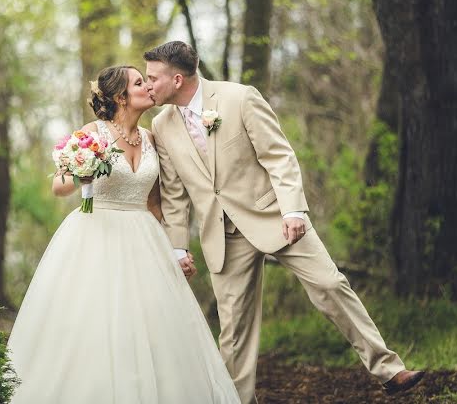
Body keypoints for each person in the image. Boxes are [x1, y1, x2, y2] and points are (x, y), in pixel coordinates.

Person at [145, 41, 425, 404]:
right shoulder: (162, 125)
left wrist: (294, 210)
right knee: (233, 334)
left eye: (152, 78)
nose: (147, 85)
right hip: (222, 236)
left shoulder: (239, 98)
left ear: (177, 78)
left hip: (275, 218)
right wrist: (178, 246)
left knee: (330, 284)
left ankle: (388, 369)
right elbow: (174, 193)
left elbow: (278, 155)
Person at [7, 65, 240, 404]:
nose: (148, 86)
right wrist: (84, 172)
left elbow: (156, 203)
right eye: (139, 83)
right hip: (94, 236)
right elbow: (58, 186)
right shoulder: (92, 132)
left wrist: (176, 250)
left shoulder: (151, 138)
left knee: (154, 328)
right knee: (95, 323)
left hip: (144, 239)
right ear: (120, 97)